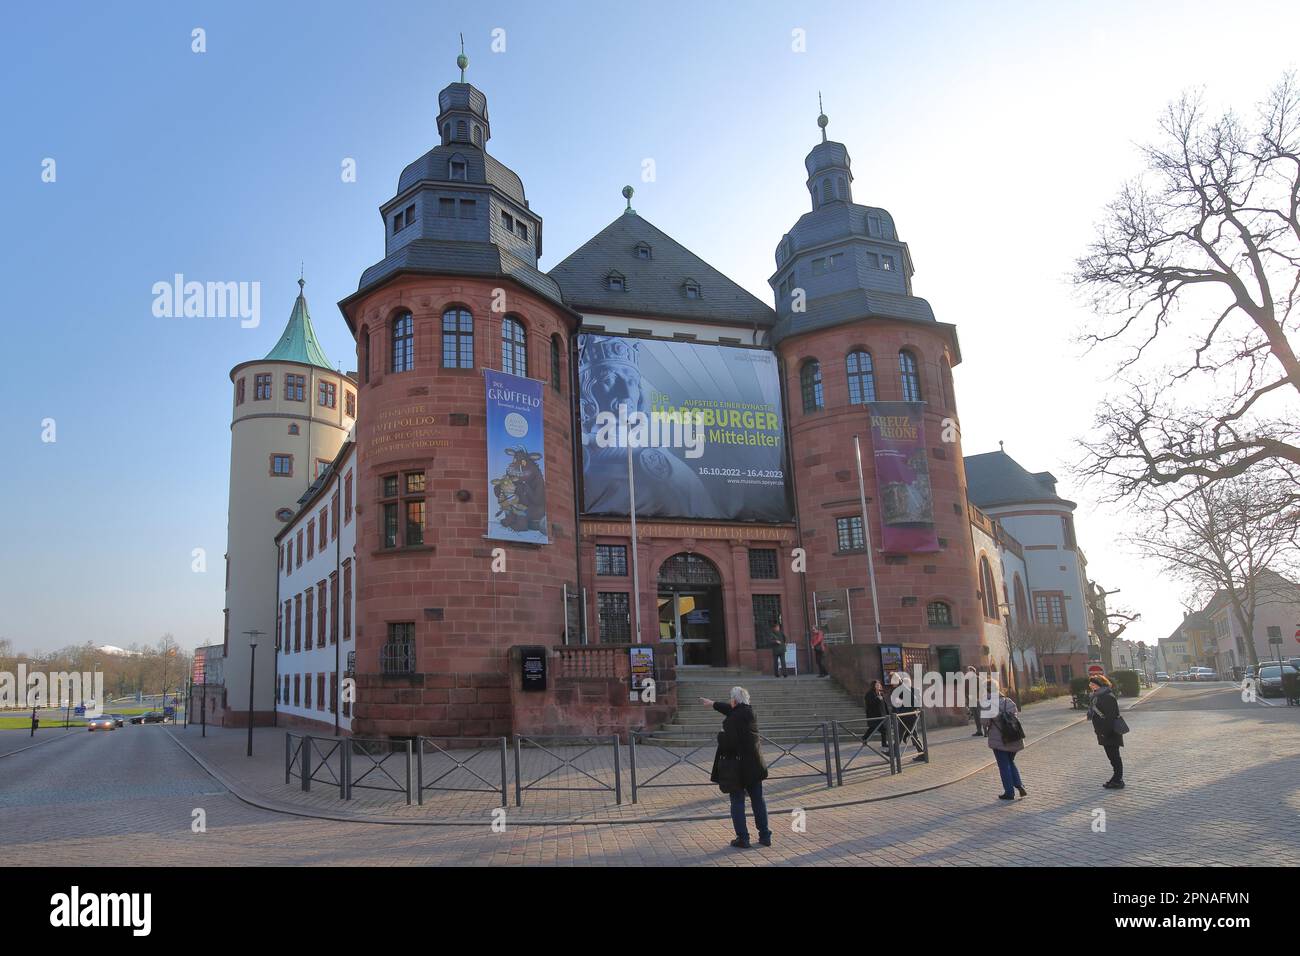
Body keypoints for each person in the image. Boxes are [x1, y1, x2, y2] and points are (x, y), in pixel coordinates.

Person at [702, 688, 771, 848]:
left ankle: (743, 838)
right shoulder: (749, 713)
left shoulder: (731, 720)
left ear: (734, 701)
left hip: (737, 768)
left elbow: (729, 744)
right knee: (758, 801)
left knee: (737, 802)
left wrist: (721, 735)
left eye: (730, 699)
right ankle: (765, 835)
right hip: (754, 766)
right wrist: (713, 704)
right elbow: (732, 711)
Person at [985, 683, 1027, 800]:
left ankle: (1009, 792)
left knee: (1004, 765)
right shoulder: (1008, 701)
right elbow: (1015, 715)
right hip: (1013, 737)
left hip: (999, 740)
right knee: (1010, 762)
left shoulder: (988, 703)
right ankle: (1019, 785)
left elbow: (985, 722)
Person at [1087, 675, 1127, 789]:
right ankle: (1116, 778)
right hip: (1104, 732)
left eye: (1093, 684)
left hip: (1110, 732)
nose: (1091, 686)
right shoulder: (1097, 696)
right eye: (1090, 684)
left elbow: (1110, 717)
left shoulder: (1107, 697)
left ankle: (1118, 780)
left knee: (1114, 757)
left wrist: (1105, 732)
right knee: (1112, 757)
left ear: (1100, 685)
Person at [890, 671, 926, 762]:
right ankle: (893, 753)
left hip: (908, 717)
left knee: (913, 736)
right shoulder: (902, 690)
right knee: (902, 736)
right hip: (905, 716)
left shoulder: (907, 690)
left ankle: (923, 754)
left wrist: (896, 676)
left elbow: (916, 703)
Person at [863, 679, 890, 752]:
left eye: (879, 685)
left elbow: (884, 705)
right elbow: (870, 704)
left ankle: (884, 743)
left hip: (882, 715)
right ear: (873, 686)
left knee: (883, 729)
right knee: (873, 728)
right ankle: (864, 739)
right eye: (877, 685)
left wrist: (887, 713)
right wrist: (877, 699)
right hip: (874, 715)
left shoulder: (880, 693)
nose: (879, 686)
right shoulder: (869, 694)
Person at [966, 665, 985, 736]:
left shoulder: (978, 679)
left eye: (969, 671)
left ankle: (985, 730)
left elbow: (982, 690)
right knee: (976, 717)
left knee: (980, 715)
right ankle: (979, 731)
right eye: (967, 671)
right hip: (971, 701)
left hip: (978, 700)